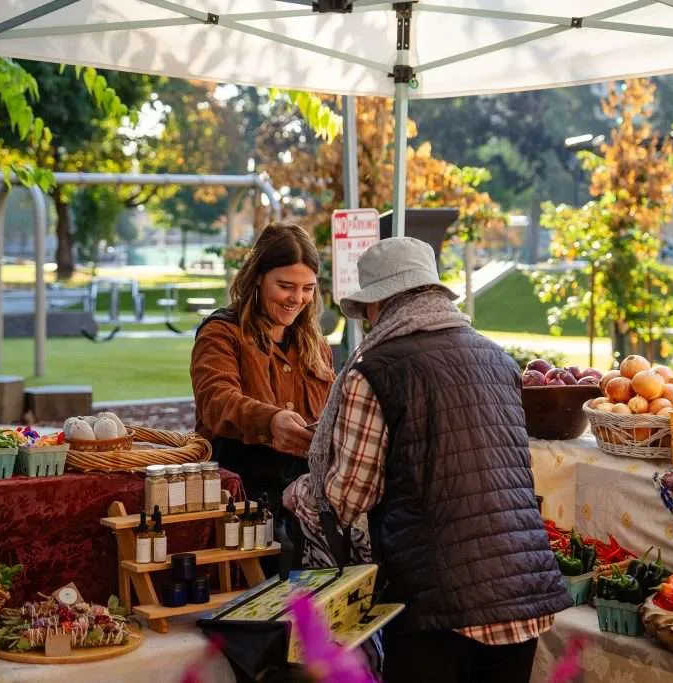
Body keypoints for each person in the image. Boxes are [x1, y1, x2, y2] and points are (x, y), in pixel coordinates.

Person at [285, 237, 571, 683]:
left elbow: (347, 497)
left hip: (437, 600)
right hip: (523, 588)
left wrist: (297, 493)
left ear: (379, 304)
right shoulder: (497, 359)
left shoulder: (376, 369)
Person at [191, 223, 334, 515]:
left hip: (304, 499)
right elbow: (215, 400)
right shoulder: (222, 333)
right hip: (238, 496)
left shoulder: (316, 345)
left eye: (307, 288)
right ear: (258, 278)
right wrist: (269, 421)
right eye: (286, 286)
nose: (297, 298)